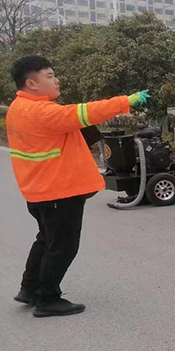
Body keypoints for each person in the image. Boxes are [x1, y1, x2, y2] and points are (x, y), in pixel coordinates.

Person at [7, 55, 148, 317]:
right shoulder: (43, 112)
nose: (56, 80)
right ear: (31, 83)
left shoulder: (19, 107)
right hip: (58, 190)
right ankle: (47, 299)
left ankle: (29, 288)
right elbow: (84, 113)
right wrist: (126, 101)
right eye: (49, 76)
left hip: (38, 190)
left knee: (46, 239)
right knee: (63, 246)